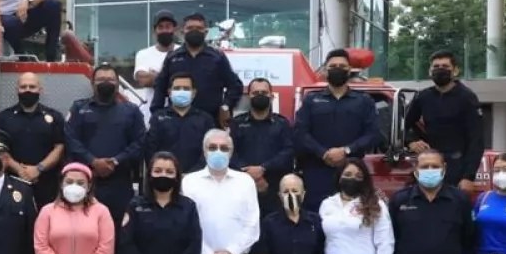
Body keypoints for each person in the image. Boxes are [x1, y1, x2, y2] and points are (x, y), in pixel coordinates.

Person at [294, 48, 380, 212]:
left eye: (342, 66)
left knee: (354, 215)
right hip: (316, 172)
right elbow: (300, 132)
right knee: (317, 216)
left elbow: (373, 134)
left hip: (352, 173)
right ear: (325, 70)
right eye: (333, 66)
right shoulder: (311, 100)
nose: (337, 69)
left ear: (349, 70)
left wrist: (346, 151)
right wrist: (323, 153)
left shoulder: (364, 101)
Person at [65, 65, 147, 227]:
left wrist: (115, 161)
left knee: (120, 230)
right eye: (101, 79)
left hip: (120, 184)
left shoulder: (131, 111)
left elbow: (140, 142)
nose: (106, 83)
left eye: (110, 79)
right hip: (85, 182)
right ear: (92, 83)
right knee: (84, 228)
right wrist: (92, 161)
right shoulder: (79, 108)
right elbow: (71, 139)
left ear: (117, 84)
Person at [404, 51, 484, 192]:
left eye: (445, 66)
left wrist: (468, 177)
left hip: (456, 166)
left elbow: (476, 140)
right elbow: (404, 125)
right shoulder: (423, 97)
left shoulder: (467, 98)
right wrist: (411, 142)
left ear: (455, 70)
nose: (440, 70)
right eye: (436, 66)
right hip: (429, 164)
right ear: (430, 71)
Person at [151, 13, 243, 128]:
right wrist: (157, 114)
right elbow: (160, 87)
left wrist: (226, 106)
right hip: (177, 122)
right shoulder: (172, 58)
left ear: (206, 32)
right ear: (183, 31)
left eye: (199, 28)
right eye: (190, 28)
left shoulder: (217, 58)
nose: (194, 31)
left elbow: (235, 86)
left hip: (211, 122)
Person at [0, 72, 67, 208]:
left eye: (32, 87)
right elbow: (0, 148)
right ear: (17, 90)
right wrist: (19, 170)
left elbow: (59, 147)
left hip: (47, 183)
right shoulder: (4, 117)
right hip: (12, 182)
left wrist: (38, 169)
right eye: (23, 87)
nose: (27, 90)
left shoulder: (55, 116)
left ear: (40, 90)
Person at [229, 78, 294, 217]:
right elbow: (230, 152)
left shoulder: (282, 124)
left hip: (274, 189)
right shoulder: (236, 123)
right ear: (249, 96)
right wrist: (250, 174)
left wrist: (263, 168)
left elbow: (288, 152)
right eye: (255, 93)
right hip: (242, 187)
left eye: (264, 93)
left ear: (271, 96)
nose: (260, 95)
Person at [145, 73, 216, 172]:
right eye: (177, 88)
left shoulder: (205, 119)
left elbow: (210, 149)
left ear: (194, 93)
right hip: (165, 175)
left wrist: (194, 173)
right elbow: (150, 150)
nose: (181, 91)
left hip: (198, 176)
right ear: (169, 92)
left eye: (186, 89)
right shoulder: (157, 118)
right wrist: (165, 171)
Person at [128, 10, 178, 127]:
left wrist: (155, 76)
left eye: (168, 27)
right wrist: (173, 77)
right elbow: (143, 80)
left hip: (179, 117)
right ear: (154, 30)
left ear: (174, 29)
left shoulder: (182, 52)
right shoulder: (143, 54)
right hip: (152, 117)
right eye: (160, 27)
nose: (164, 30)